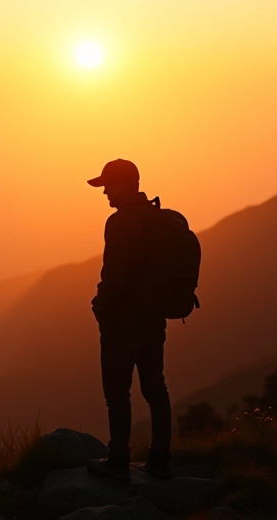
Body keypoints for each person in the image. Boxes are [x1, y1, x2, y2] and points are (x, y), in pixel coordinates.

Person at [85, 158, 173, 482]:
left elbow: (115, 276)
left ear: (124, 185)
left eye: (108, 185)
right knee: (155, 387)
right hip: (154, 318)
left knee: (118, 392)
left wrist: (100, 306)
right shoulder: (156, 217)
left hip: (123, 322)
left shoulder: (119, 222)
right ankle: (161, 459)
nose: (105, 192)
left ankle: (118, 461)